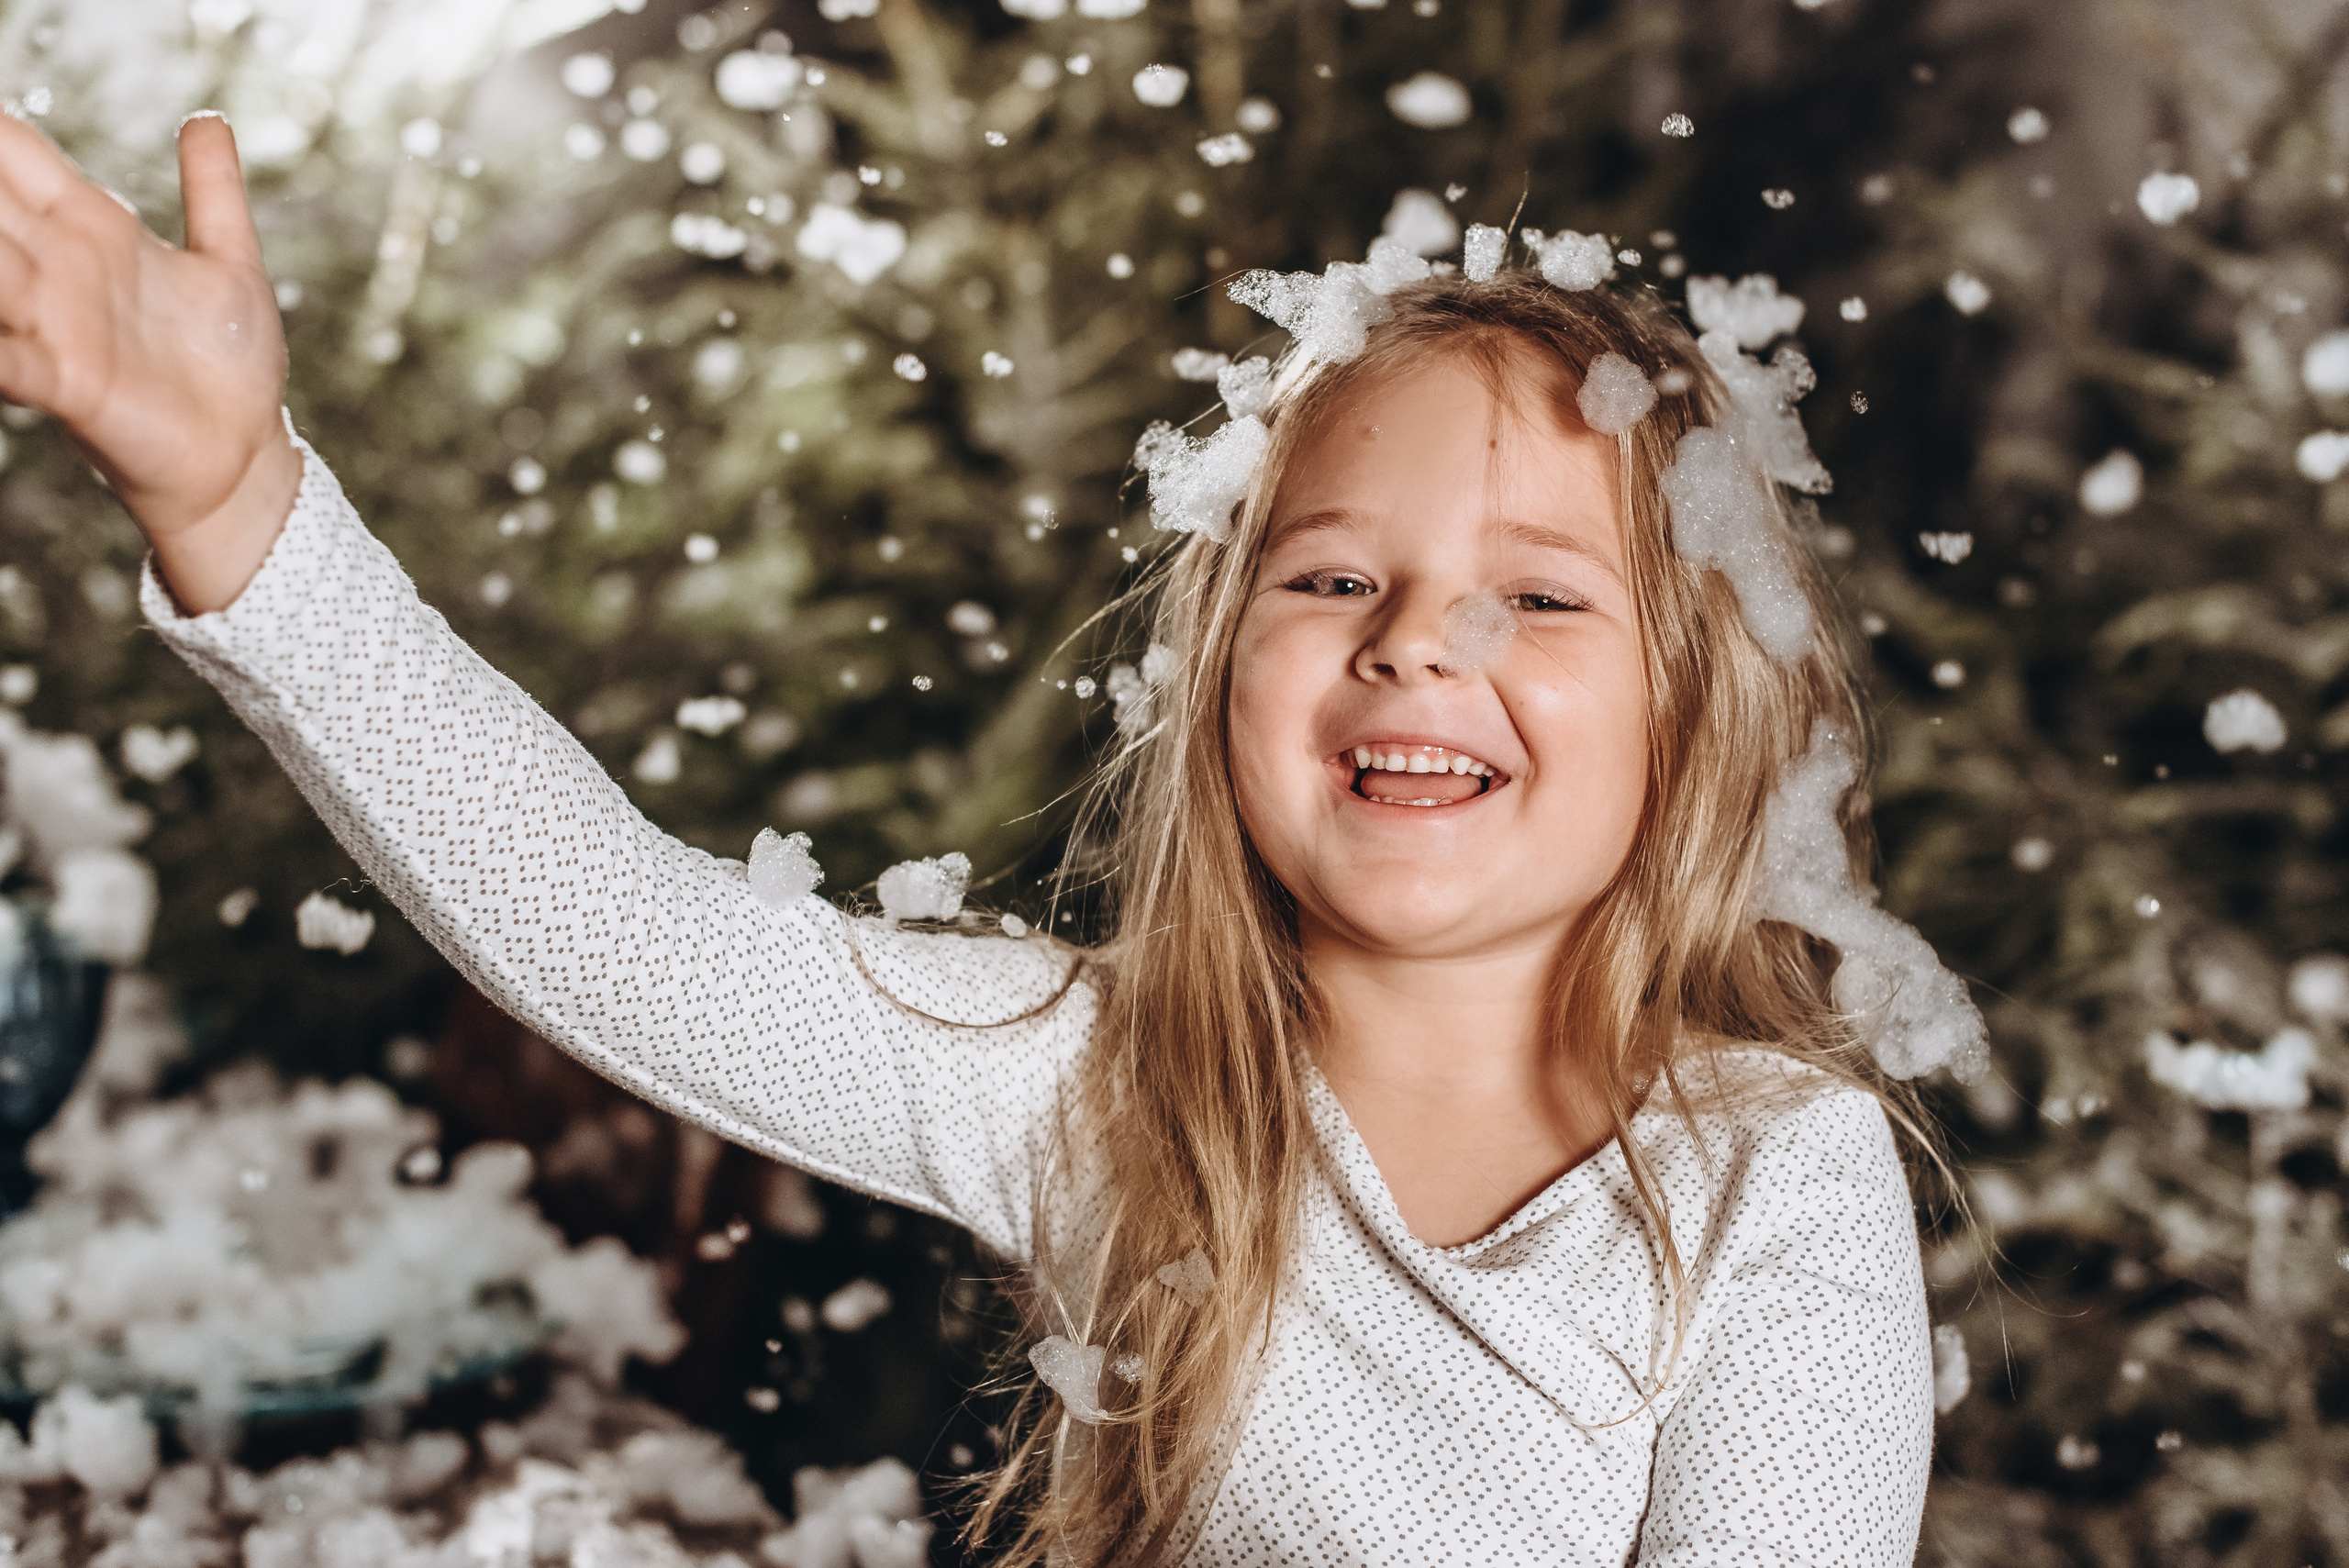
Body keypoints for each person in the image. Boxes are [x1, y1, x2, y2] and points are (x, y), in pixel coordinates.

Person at [0, 113, 1946, 1564]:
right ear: (1218, 669)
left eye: (1538, 596)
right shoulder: (1102, 1079)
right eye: (1334, 575)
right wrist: (235, 501)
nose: (1417, 640)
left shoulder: (1769, 1176)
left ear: (1695, 705)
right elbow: (611, 928)